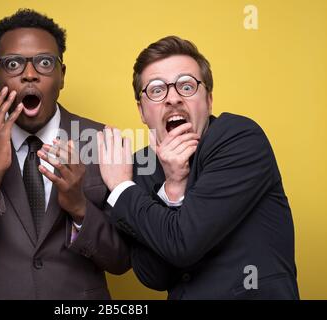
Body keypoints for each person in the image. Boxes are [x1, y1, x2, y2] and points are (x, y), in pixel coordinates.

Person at [0, 9, 129, 300]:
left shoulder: (101, 141)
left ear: (62, 75)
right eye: (13, 64)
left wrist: (80, 207)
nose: (29, 74)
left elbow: (121, 261)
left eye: (45, 63)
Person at [97, 36, 299, 299]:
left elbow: (183, 243)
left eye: (187, 86)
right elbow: (154, 275)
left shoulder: (239, 138)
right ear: (142, 111)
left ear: (209, 100)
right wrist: (173, 187)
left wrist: (122, 188)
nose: (172, 98)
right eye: (157, 90)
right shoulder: (139, 167)